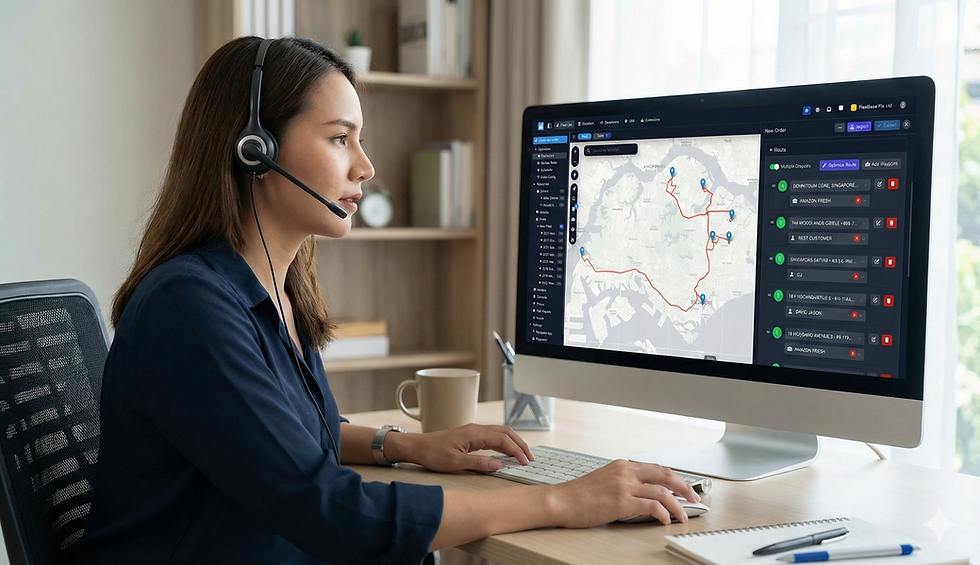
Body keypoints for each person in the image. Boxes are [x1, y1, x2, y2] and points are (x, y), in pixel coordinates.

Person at [72, 36, 700, 564]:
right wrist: (565, 499)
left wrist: (401, 445)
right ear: (254, 149)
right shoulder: (191, 308)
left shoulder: (267, 291)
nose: (366, 167)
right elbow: (327, 510)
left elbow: (273, 439)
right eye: (340, 138)